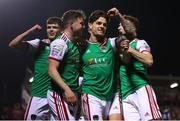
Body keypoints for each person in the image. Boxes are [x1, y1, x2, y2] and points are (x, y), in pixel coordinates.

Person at [9, 17, 63, 120]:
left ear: (61, 30)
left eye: (54, 27)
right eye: (49, 27)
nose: (51, 29)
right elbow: (13, 45)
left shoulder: (66, 45)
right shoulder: (39, 43)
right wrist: (30, 31)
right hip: (39, 95)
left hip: (58, 97)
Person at [113, 8, 162, 120]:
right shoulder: (118, 45)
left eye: (121, 25)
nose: (118, 27)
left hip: (141, 88)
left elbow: (149, 61)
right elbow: (126, 60)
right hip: (125, 95)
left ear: (131, 27)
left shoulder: (140, 43)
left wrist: (131, 50)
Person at [47, 9, 86, 120]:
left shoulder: (75, 43)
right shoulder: (60, 43)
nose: (84, 27)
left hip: (72, 94)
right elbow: (52, 70)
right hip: (59, 94)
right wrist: (67, 90)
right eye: (81, 24)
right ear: (71, 24)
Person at [81, 10, 118, 120]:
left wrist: (119, 16)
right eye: (98, 23)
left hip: (110, 97)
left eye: (104, 24)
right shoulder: (82, 46)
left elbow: (127, 35)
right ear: (90, 25)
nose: (102, 26)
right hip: (91, 95)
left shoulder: (111, 43)